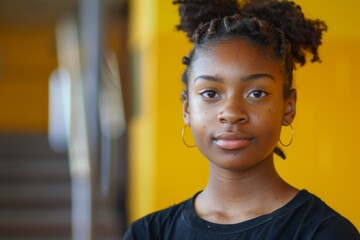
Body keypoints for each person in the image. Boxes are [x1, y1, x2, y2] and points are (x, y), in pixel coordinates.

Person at [124, 0, 360, 239]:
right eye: (210, 93)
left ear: (288, 107)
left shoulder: (325, 233)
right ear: (187, 110)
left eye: (256, 93)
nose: (231, 112)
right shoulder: (148, 233)